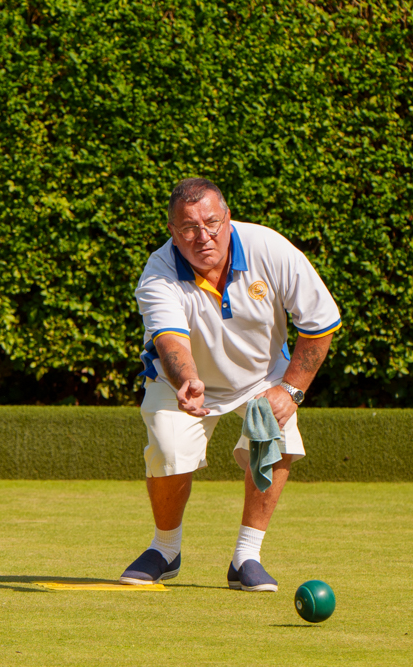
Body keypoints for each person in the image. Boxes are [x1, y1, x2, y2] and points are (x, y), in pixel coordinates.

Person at [120, 178, 340, 591]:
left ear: (228, 218)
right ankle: (166, 550)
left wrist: (291, 390)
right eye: (188, 228)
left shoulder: (270, 248)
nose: (202, 237)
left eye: (212, 223)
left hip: (261, 376)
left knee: (278, 435)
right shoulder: (159, 273)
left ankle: (246, 557)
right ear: (173, 232)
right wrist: (187, 379)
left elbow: (320, 322)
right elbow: (169, 340)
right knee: (167, 449)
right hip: (184, 380)